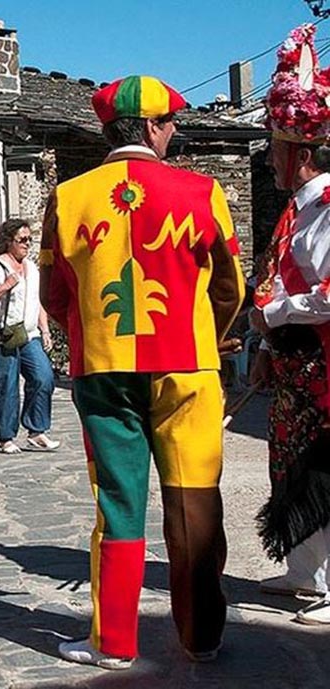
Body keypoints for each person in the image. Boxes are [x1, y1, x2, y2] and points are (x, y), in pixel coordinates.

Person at [39, 75, 245, 669]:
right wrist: (212, 333)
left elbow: (57, 294)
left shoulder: (69, 196)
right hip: (187, 366)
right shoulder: (203, 192)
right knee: (193, 500)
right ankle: (201, 637)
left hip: (104, 369)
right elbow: (229, 286)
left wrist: (87, 337)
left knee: (119, 504)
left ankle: (114, 643)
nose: (174, 133)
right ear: (152, 127)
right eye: (171, 124)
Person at [249, 24, 330, 626]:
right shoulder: (298, 211)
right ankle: (307, 573)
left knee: (323, 469)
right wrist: (265, 341)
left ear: (300, 153)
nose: (268, 160)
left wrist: (275, 313)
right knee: (292, 465)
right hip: (297, 365)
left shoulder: (326, 211)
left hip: (324, 367)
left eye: (275, 148)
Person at [0, 219, 59, 454]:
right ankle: (6, 437)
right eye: (22, 240)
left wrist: (45, 330)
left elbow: (36, 301)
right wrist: (4, 286)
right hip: (3, 336)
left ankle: (36, 430)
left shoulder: (31, 267)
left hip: (29, 334)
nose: (27, 244)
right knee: (6, 386)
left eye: (29, 240)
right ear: (8, 241)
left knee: (43, 377)